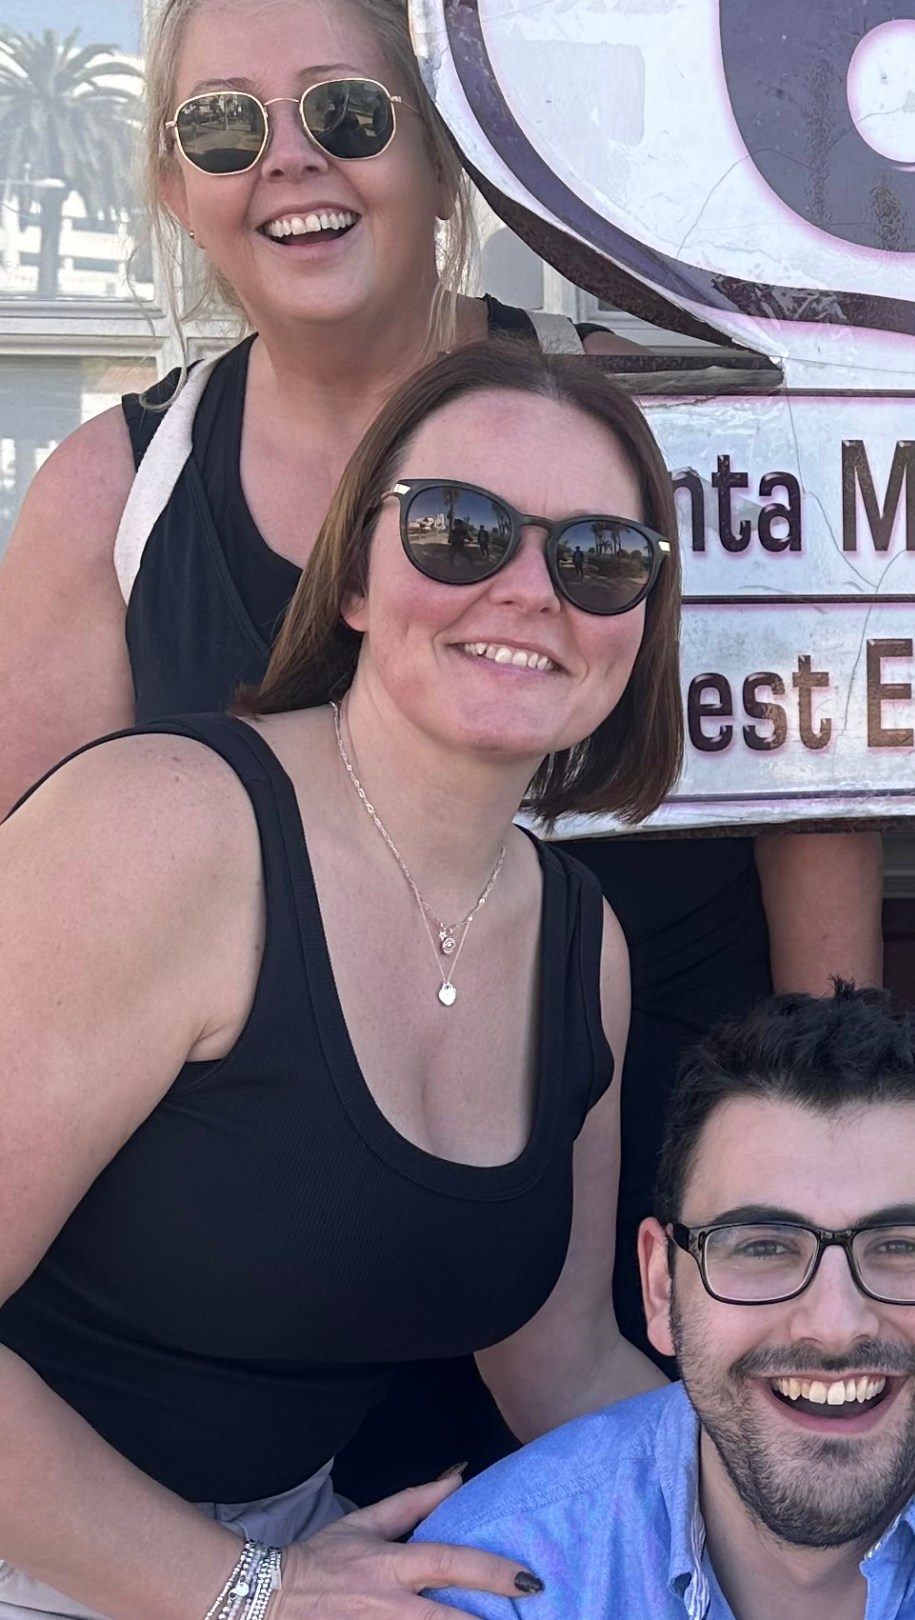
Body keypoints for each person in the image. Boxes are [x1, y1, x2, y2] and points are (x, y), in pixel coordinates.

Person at [0, 0, 882, 1484]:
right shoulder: (115, 508)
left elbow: (814, 760)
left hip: (626, 1133)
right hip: (231, 1250)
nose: (290, 159)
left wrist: (840, 1126)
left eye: (345, 110)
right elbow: (45, 955)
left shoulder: (649, 421)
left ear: (441, 147)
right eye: (224, 126)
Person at [0, 343, 682, 1619]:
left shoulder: (580, 943)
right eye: (460, 531)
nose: (529, 591)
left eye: (599, 558)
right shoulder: (166, 828)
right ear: (356, 576)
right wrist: (245, 1591)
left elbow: (561, 1366)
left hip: (288, 1554)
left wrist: (842, 1485)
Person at [415, 986, 915, 1620]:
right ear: (662, 1284)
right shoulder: (499, 1577)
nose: (834, 1325)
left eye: (902, 1246)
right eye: (762, 1246)